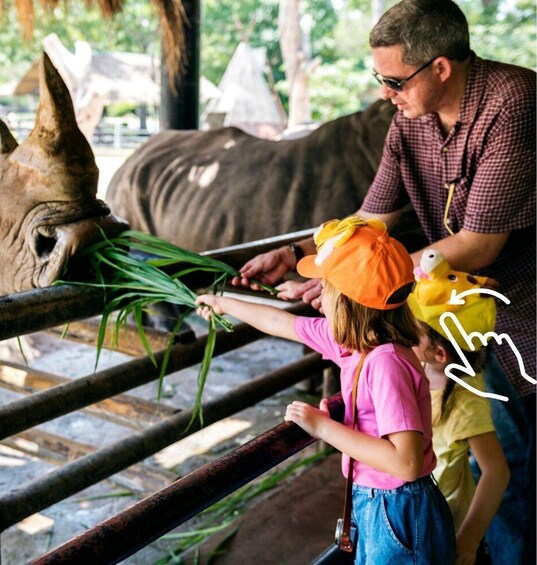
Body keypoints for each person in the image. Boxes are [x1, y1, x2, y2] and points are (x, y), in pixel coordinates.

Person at [232, 2, 535, 561]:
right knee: (471, 451)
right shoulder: (409, 117)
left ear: (441, 68)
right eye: (381, 79)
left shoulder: (514, 103)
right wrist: (305, 252)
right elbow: (374, 219)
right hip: (448, 312)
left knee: (512, 459)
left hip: (518, 312)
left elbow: (480, 241)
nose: (386, 93)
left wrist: (357, 279)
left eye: (394, 80)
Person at [198, 217, 455, 563]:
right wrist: (222, 304)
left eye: (326, 289)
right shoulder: (350, 344)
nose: (318, 297)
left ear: (347, 303)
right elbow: (280, 322)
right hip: (378, 500)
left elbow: (406, 463)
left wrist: (322, 427)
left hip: (397, 507)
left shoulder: (386, 363)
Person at [408, 249, 509, 565]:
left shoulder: (465, 399)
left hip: (446, 531)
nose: (403, 333)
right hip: (415, 520)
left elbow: (496, 471)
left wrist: (467, 540)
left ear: (440, 354)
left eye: (414, 330)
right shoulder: (419, 372)